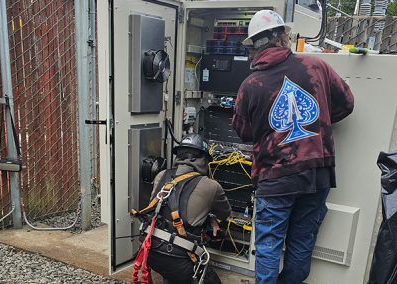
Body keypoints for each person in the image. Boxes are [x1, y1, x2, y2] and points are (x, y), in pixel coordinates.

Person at [232, 10, 354, 284]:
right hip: (316, 171)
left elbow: (243, 131)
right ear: (284, 37)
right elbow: (346, 103)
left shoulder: (250, 85)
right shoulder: (315, 66)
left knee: (268, 247)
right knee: (301, 243)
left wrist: (275, 130)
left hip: (275, 178)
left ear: (254, 47)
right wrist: (317, 123)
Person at [135, 133, 231, 284]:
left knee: (172, 273)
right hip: (179, 259)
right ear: (204, 160)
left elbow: (159, 209)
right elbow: (225, 213)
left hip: (150, 251)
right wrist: (211, 216)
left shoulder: (162, 176)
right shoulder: (211, 186)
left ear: (178, 156)